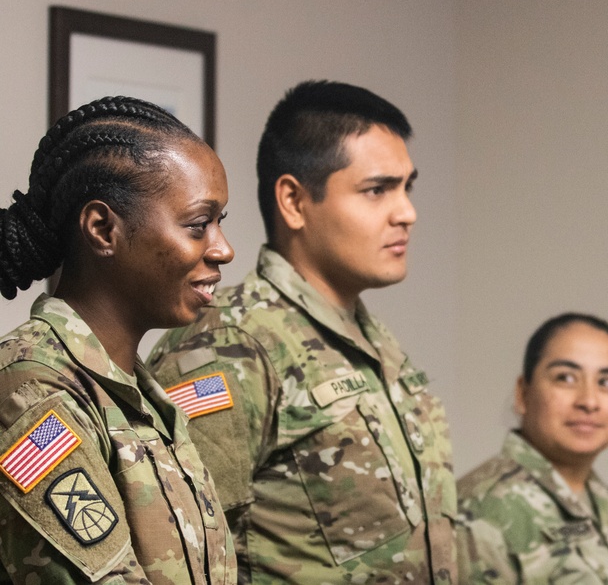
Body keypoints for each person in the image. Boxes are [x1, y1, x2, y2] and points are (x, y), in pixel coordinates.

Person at [147, 80, 456, 583]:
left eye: (408, 187)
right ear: (292, 200)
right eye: (378, 190)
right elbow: (178, 556)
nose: (407, 213)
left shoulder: (372, 342)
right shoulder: (229, 347)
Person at [0, 97, 237, 584]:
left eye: (220, 223)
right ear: (102, 228)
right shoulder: (33, 396)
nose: (224, 249)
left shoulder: (141, 398)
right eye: (197, 225)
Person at [458, 313, 608, 583]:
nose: (589, 401)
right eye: (566, 378)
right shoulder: (481, 512)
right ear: (523, 393)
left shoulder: (602, 505)